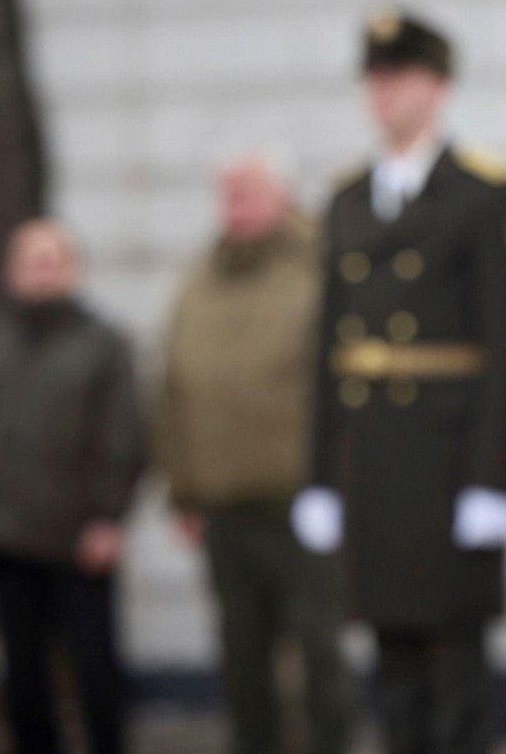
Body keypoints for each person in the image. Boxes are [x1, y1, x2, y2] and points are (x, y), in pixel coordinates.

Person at [293, 10, 506, 754]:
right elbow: (327, 349)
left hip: (449, 462)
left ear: (438, 87)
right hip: (371, 458)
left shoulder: (482, 193)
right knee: (391, 663)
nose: (384, 94)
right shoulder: (346, 199)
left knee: (456, 665)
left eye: (399, 78)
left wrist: (496, 477)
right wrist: (318, 476)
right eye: (375, 79)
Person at [154, 155, 353, 754]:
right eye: (228, 196)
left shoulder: (317, 269)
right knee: (241, 656)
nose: (237, 208)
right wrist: (183, 490)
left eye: (250, 194)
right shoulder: (200, 280)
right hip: (223, 505)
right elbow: (173, 390)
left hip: (301, 502)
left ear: (282, 197)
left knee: (320, 649)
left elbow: (341, 386)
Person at [0, 219, 146, 754]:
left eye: (53, 260)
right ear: (12, 272)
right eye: (31, 261)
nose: (42, 271)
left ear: (73, 270)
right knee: (23, 679)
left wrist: (108, 517)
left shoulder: (102, 344)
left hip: (78, 538)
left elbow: (123, 437)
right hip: (6, 538)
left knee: (95, 672)